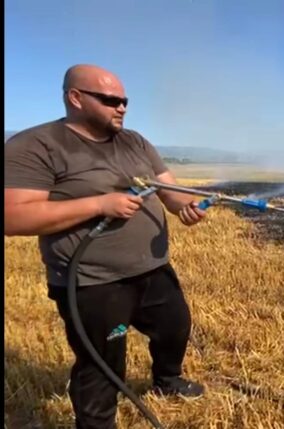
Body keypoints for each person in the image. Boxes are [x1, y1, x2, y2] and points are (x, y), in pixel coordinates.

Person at [4, 64, 207, 429]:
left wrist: (183, 207)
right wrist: (99, 205)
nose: (122, 108)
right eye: (111, 100)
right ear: (76, 98)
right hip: (92, 282)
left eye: (125, 100)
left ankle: (168, 380)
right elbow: (13, 219)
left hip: (152, 267)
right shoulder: (35, 146)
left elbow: (167, 187)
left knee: (176, 326)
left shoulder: (136, 141)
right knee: (102, 365)